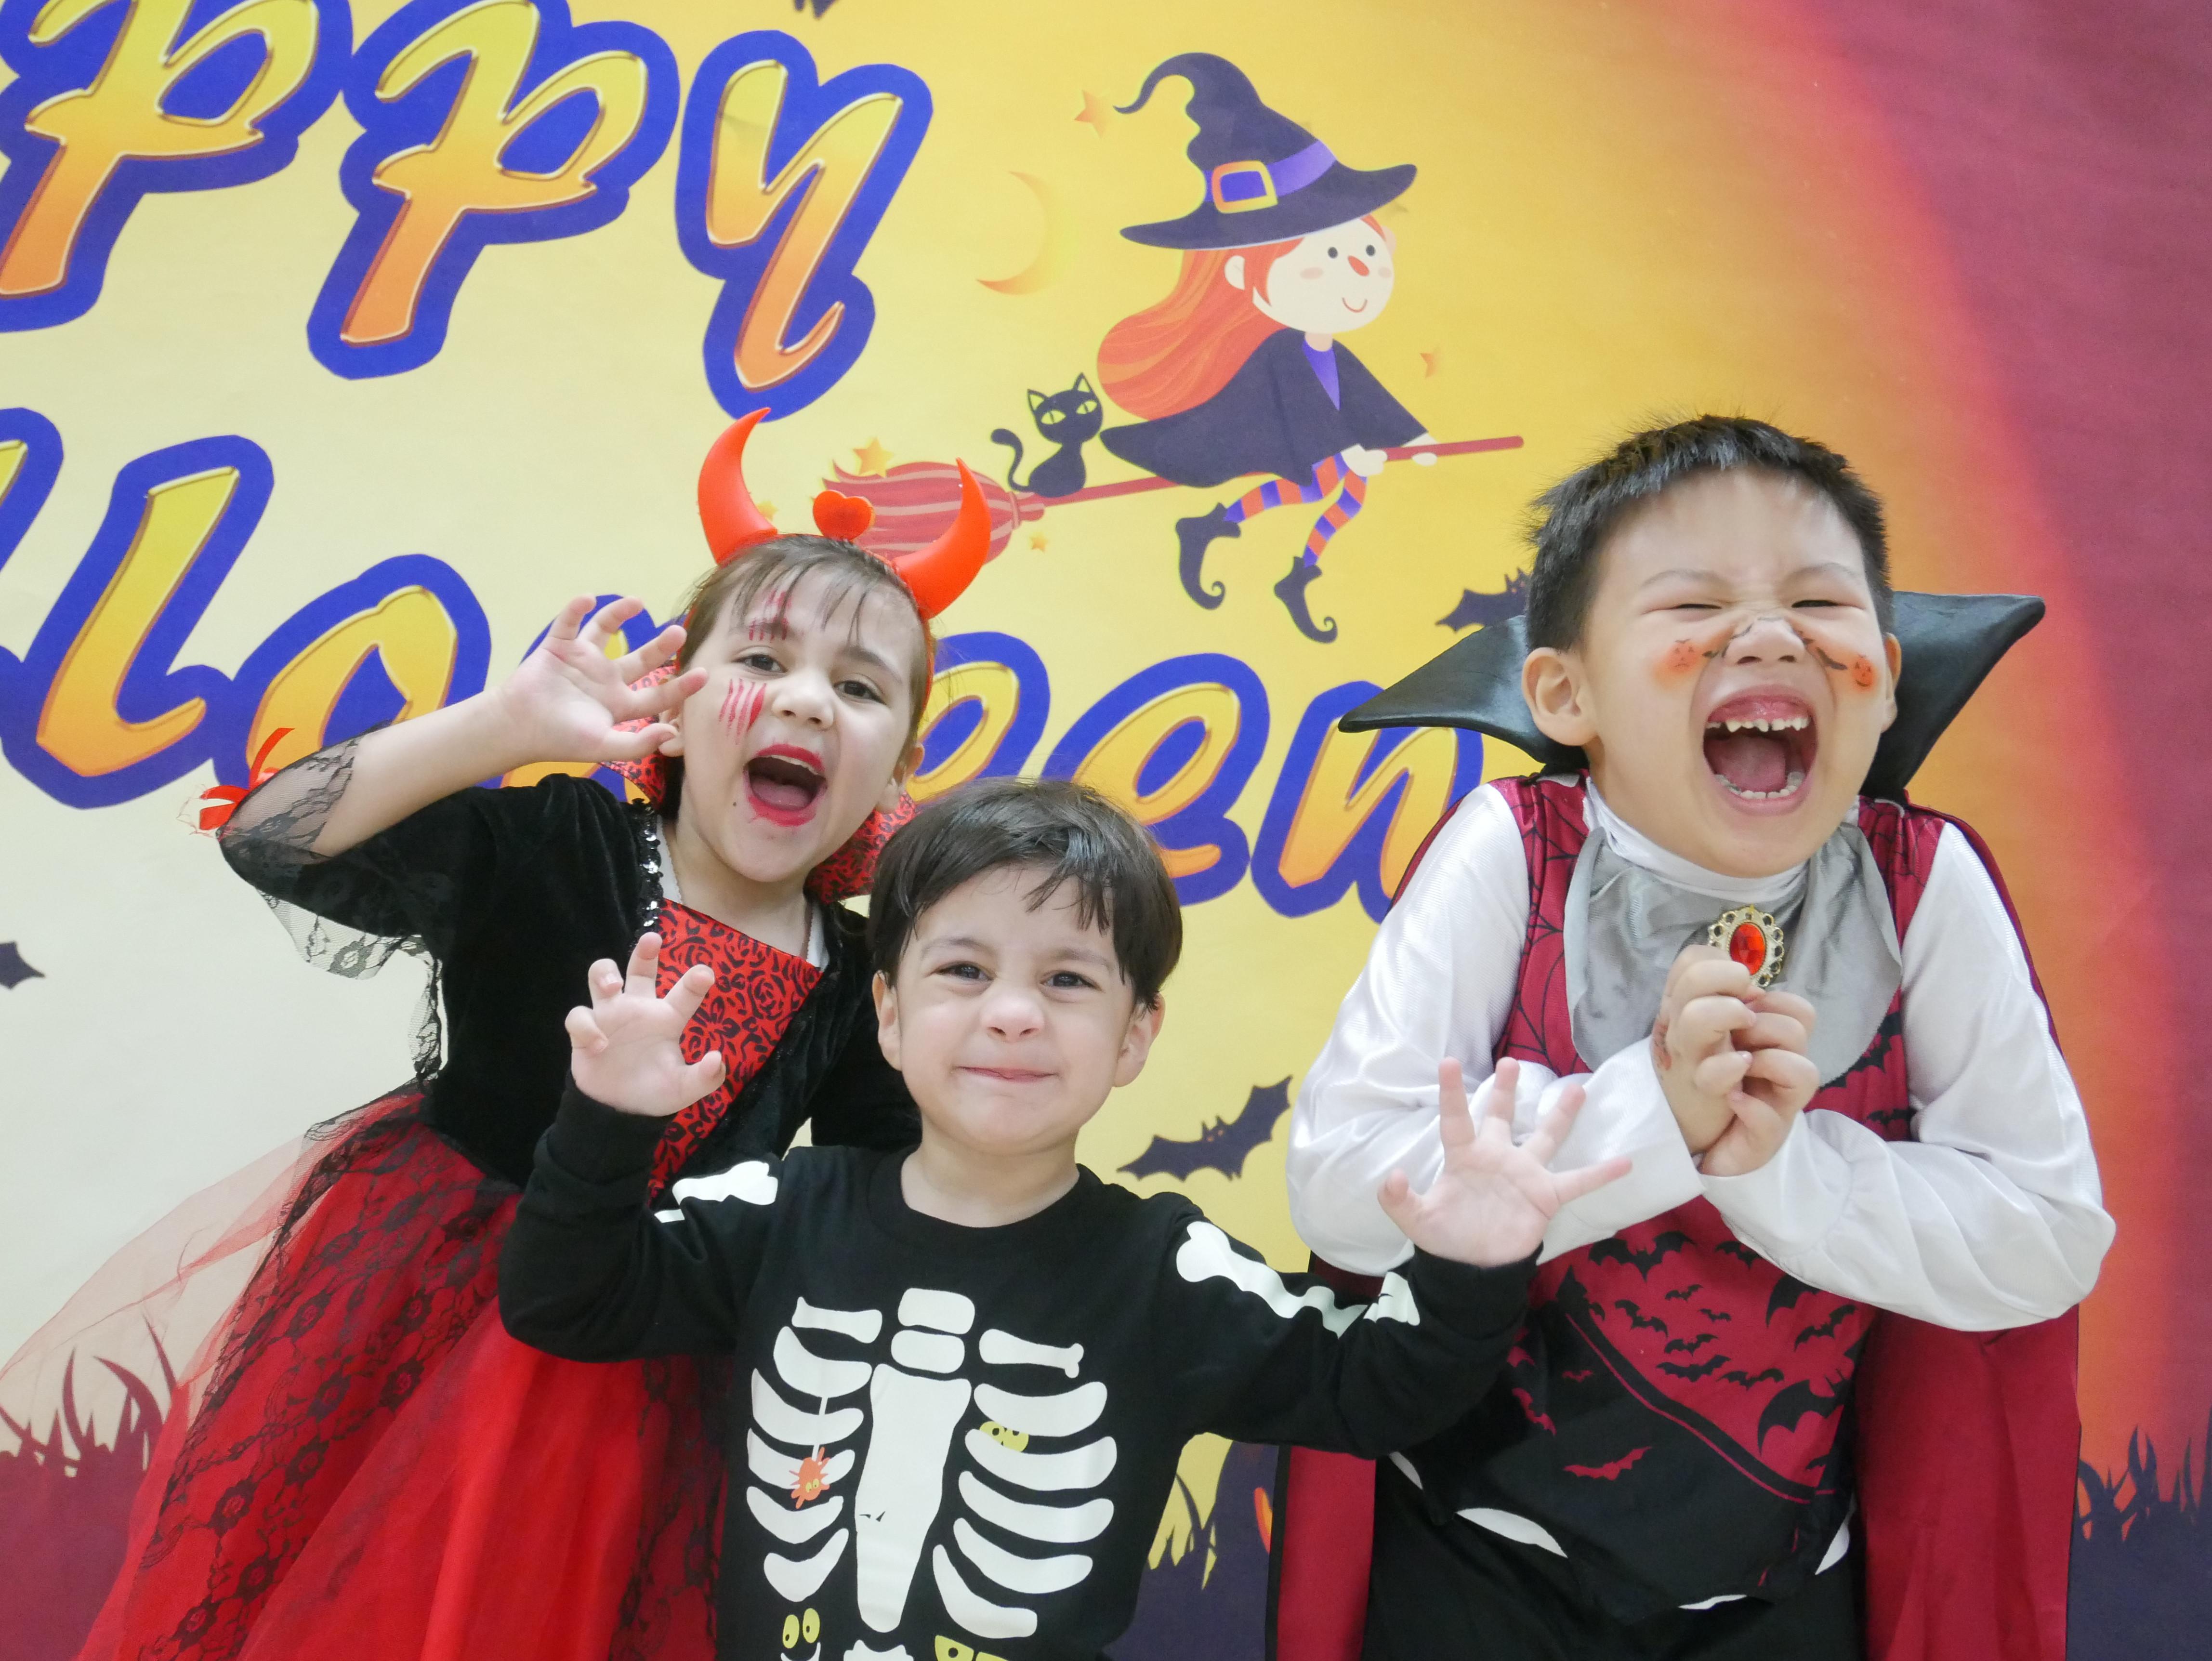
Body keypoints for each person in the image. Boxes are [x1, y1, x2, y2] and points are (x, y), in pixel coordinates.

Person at [69, 416, 995, 1661]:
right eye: (763, 657)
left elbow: (886, 1204)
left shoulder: (861, 976)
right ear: (671, 703)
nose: (805, 700)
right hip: (418, 1326)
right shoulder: (560, 841)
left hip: (649, 1377)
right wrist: (503, 726)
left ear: (899, 766)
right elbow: (272, 838)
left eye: (862, 686)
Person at [1282, 417, 2113, 1661]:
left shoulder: (1924, 884)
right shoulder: (1512, 849)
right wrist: (1652, 1114)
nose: (1770, 636)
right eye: (1695, 604)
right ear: (1564, 692)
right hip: (1474, 1553)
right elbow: (1342, 1192)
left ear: (1884, 676)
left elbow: (2049, 1237)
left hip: (1784, 1587)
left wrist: (1778, 1166)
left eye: (1817, 603)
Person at [498, 778, 1631, 1660]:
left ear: (1136, 1034)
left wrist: (1473, 1260)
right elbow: (565, 1298)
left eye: (1069, 981)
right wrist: (606, 1123)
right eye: (962, 968)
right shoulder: (783, 1208)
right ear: (888, 1013)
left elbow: (1377, 1388)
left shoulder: (1167, 1274)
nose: (1011, 1013)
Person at [1095, 53, 1438, 642]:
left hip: (1322, 446)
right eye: (1327, 256)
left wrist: (1411, 437)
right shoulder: (1279, 353)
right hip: (1291, 438)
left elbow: (1364, 395)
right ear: (1239, 274)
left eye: (1365, 252)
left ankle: (1292, 567)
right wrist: (1346, 449)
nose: (1357, 273)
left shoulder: (1328, 348)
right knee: (1326, 483)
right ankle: (1226, 529)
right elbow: (1304, 411)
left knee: (1341, 495)